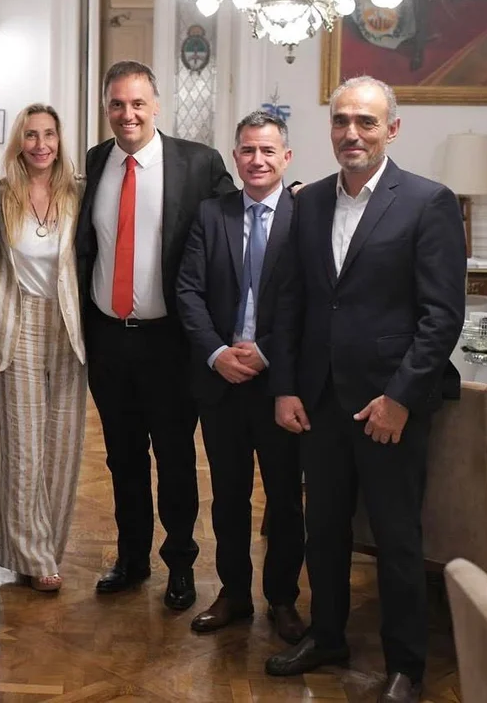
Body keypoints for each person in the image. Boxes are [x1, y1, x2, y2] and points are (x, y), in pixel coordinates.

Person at [265, 76, 466, 703]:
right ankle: (327, 636)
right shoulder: (308, 203)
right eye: (341, 120)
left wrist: (401, 399)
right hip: (320, 402)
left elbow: (442, 318)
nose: (351, 132)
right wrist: (285, 387)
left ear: (392, 130)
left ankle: (406, 666)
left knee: (396, 538)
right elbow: (291, 304)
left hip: (388, 408)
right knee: (323, 529)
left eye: (366, 122)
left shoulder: (428, 202)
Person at [75, 60, 235, 610]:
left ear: (157, 105)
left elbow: (240, 215)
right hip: (107, 339)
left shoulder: (198, 163)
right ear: (106, 108)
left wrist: (298, 196)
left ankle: (181, 565)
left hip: (170, 342)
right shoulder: (96, 161)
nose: (128, 114)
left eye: (138, 103)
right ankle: (132, 558)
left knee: (174, 458)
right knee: (122, 458)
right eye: (117, 104)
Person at [175, 110, 306, 641]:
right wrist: (216, 354)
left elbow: (312, 302)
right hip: (220, 383)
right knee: (228, 496)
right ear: (235, 157)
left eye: (268, 151)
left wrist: (266, 353)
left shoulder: (307, 216)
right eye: (248, 150)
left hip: (281, 385)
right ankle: (233, 594)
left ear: (286, 158)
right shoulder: (212, 214)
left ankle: (283, 599)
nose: (257, 160)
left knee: (284, 499)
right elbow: (187, 290)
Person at [0, 103, 86, 592]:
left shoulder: (79, 192)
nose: (41, 144)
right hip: (17, 322)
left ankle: (48, 550)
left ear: (60, 141)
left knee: (63, 445)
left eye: (49, 135)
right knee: (23, 445)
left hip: (69, 323)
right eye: (32, 135)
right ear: (19, 141)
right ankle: (31, 555)